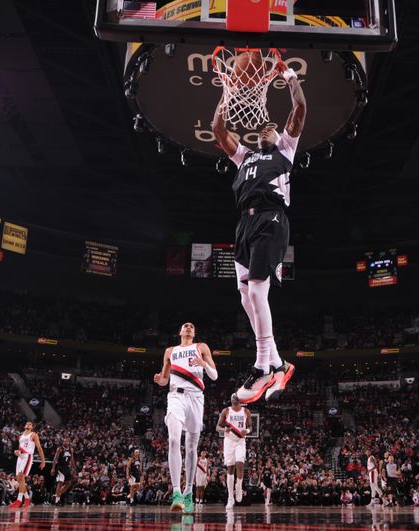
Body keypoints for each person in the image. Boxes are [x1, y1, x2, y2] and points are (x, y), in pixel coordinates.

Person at [212, 59, 307, 404]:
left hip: (271, 219)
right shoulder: (245, 157)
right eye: (263, 127)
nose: (266, 128)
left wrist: (289, 76)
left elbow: (300, 108)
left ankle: (263, 367)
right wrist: (228, 92)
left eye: (272, 127)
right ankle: (280, 364)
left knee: (256, 292)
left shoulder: (285, 150)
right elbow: (218, 130)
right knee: (244, 296)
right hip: (244, 225)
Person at [153, 322, 218, 513]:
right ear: (180, 331)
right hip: (175, 396)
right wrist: (160, 380)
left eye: (191, 326)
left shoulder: (201, 347)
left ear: (194, 332)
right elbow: (164, 380)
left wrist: (204, 364)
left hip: (196, 397)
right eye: (185, 326)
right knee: (173, 439)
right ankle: (176, 493)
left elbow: (214, 376)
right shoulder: (170, 351)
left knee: (191, 448)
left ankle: (189, 490)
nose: (188, 327)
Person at [217, 393, 252, 509]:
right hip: (229, 441)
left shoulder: (246, 411)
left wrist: (247, 431)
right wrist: (224, 429)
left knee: (240, 465)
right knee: (230, 469)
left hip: (240, 441)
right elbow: (217, 427)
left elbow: (250, 427)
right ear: (231, 401)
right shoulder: (226, 411)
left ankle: (239, 487)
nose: (235, 401)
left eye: (237, 399)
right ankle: (230, 497)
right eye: (234, 399)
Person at [8, 420, 46, 509]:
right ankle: (27, 499)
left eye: (30, 424)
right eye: (27, 423)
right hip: (20, 457)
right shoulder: (20, 436)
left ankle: (19, 500)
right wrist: (16, 452)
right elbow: (20, 448)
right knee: (19, 479)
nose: (28, 425)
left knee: (21, 477)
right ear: (25, 425)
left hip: (27, 456)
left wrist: (43, 461)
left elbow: (39, 447)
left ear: (32, 427)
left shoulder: (33, 435)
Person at [50, 438, 76, 505]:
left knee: (69, 483)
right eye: (65, 441)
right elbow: (55, 459)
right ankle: (57, 500)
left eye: (67, 441)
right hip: (60, 467)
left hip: (67, 467)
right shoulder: (60, 449)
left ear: (69, 442)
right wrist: (53, 468)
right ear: (63, 442)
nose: (66, 442)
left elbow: (72, 459)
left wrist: (74, 468)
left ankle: (57, 495)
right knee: (60, 483)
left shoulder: (71, 449)